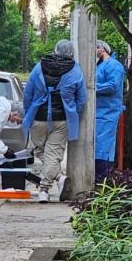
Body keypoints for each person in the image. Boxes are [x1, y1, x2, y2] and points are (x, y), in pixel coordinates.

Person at [23, 40, 86, 203]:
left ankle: (44, 188)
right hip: (63, 119)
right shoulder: (76, 71)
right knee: (52, 154)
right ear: (71, 53)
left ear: (55, 50)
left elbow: (27, 94)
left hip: (39, 117)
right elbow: (81, 100)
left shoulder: (39, 67)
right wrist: (73, 114)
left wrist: (28, 113)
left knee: (39, 150)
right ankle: (58, 178)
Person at [94, 40, 125, 182]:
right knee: (98, 146)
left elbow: (113, 86)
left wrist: (93, 87)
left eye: (95, 49)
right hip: (99, 112)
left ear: (102, 49)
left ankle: (103, 179)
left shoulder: (113, 65)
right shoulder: (98, 66)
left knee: (104, 147)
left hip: (108, 112)